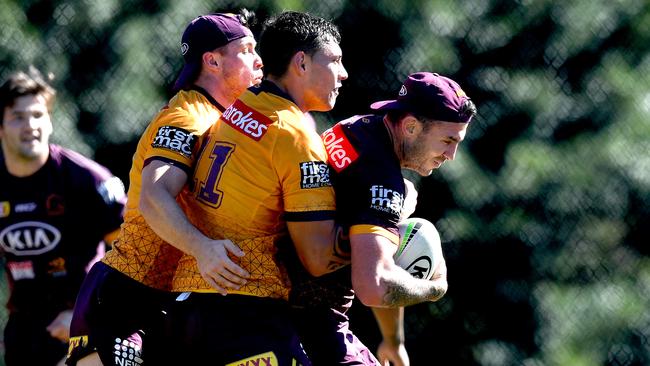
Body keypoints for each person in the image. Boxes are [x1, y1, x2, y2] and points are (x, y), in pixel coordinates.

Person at [65, 12, 263, 366]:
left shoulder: (228, 120)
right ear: (213, 61)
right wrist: (204, 249)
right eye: (247, 50)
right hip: (125, 296)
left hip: (172, 303)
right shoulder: (187, 117)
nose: (259, 60)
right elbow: (154, 197)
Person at [166, 11, 351, 365]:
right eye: (336, 60)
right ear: (301, 62)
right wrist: (377, 234)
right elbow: (317, 258)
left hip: (187, 302)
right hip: (241, 308)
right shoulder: (296, 136)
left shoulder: (241, 105)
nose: (344, 73)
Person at [288, 71, 477, 366]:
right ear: (411, 127)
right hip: (306, 321)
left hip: (284, 303)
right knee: (420, 234)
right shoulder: (382, 181)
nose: (451, 154)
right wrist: (434, 289)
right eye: (447, 140)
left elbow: (376, 249)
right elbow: (373, 285)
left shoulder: (356, 128)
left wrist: (393, 341)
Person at [0, 66, 126, 366]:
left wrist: (88, 313)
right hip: (24, 328)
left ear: (50, 121)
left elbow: (135, 253)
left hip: (86, 323)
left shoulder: (86, 180)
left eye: (38, 115)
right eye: (18, 117)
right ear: (0, 126)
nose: (30, 125)